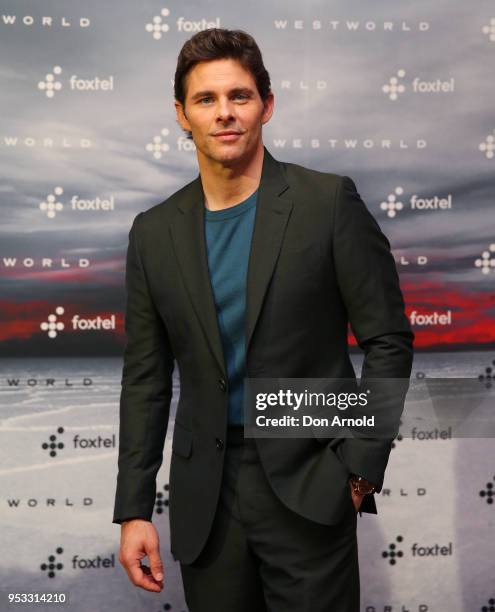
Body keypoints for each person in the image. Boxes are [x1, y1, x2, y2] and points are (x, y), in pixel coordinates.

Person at [113, 27, 414, 612]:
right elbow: (145, 378)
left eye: (240, 96)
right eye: (206, 100)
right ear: (181, 114)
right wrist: (133, 508)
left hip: (310, 487)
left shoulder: (327, 203)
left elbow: (388, 341)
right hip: (208, 503)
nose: (224, 113)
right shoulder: (153, 232)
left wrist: (358, 473)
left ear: (266, 106)